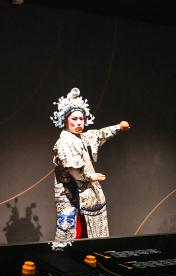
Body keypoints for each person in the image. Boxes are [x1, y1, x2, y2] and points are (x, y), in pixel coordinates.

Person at [51, 87, 130, 243]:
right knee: (73, 236)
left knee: (90, 236)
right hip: (71, 197)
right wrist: (90, 177)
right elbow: (72, 168)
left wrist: (118, 127)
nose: (79, 122)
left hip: (86, 195)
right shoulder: (64, 142)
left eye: (81, 119)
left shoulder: (81, 137)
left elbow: (98, 135)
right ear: (66, 120)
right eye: (74, 119)